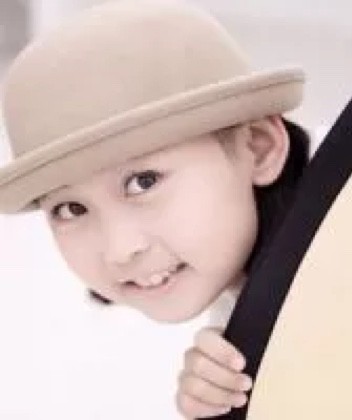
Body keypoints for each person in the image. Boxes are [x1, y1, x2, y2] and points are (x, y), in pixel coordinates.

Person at [0, 0, 310, 417]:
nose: (120, 249)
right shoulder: (254, 309)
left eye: (143, 182)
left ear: (258, 147)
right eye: (70, 208)